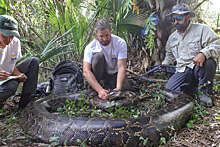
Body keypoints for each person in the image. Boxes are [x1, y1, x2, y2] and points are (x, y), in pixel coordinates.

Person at [162, 4, 220, 107]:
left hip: (198, 67)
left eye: (179, 18)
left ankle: (204, 93)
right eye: (173, 19)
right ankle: (191, 91)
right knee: (169, 92)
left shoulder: (202, 29)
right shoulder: (172, 37)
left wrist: (204, 53)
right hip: (182, 70)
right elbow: (169, 54)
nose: (175, 22)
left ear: (188, 17)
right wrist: (165, 63)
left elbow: (217, 44)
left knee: (209, 63)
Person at [0, 15, 39, 109]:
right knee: (12, 86)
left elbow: (11, 64)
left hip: (7, 77)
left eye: (11, 35)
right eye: (5, 35)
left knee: (33, 61)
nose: (9, 40)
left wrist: (18, 74)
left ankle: (25, 105)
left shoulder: (15, 42)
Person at [83, 19, 128, 100]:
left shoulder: (120, 43)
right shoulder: (90, 47)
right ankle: (98, 86)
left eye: (107, 35)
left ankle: (109, 86)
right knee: (98, 57)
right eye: (101, 36)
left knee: (126, 87)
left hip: (114, 74)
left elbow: (122, 67)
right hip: (99, 76)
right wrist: (100, 90)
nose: (104, 39)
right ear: (96, 35)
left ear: (110, 32)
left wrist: (118, 89)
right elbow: (86, 71)